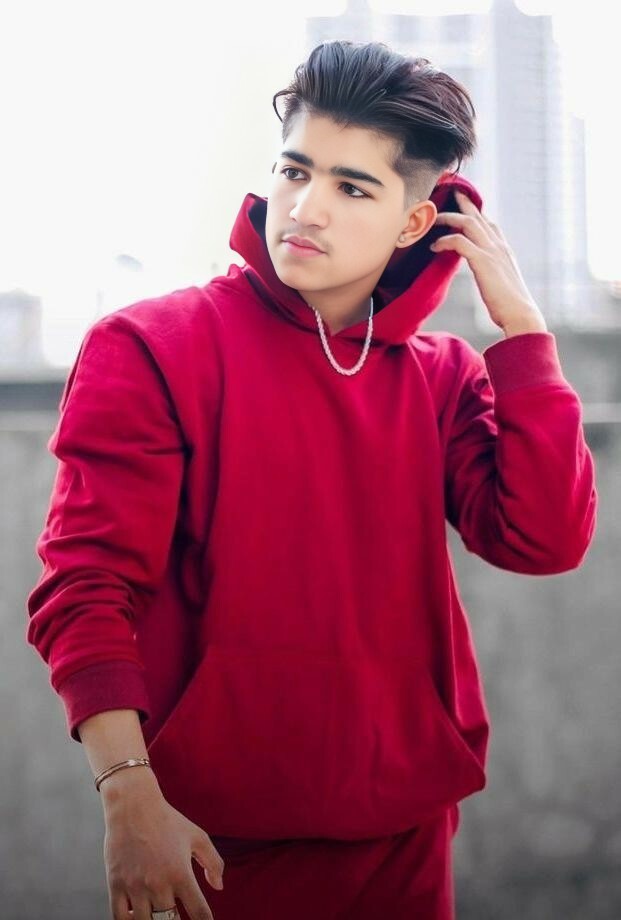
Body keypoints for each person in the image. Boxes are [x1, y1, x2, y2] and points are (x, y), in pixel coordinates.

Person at [25, 39, 598, 920]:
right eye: (295, 171)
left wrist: (521, 332)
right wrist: (127, 795)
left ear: (413, 221)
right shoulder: (151, 347)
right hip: (207, 842)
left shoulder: (442, 375)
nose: (304, 207)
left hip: (404, 836)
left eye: (351, 187)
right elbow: (85, 586)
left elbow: (542, 539)